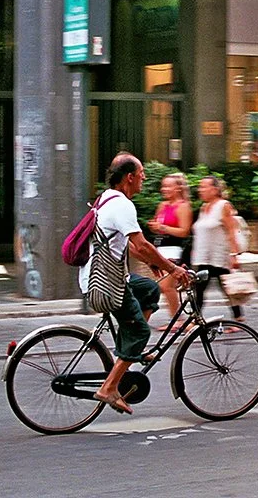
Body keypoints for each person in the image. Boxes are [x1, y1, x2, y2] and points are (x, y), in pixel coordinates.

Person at [80, 152, 195, 416]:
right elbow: (141, 243)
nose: (144, 179)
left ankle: (130, 351)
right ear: (129, 177)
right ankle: (109, 387)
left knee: (150, 289)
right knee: (141, 332)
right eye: (141, 175)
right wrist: (174, 269)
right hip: (106, 283)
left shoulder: (107, 199)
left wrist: (156, 263)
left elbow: (129, 246)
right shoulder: (122, 205)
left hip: (100, 277)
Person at [191, 175, 247, 325]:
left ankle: (196, 319)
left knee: (224, 287)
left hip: (220, 256)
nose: (200, 190)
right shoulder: (204, 207)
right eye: (200, 186)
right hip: (205, 256)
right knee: (213, 287)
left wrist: (234, 255)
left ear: (215, 189)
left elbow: (232, 231)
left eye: (204, 186)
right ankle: (238, 317)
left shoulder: (223, 206)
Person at [147, 172, 193, 330]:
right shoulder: (162, 205)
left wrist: (163, 227)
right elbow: (158, 225)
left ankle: (179, 321)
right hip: (160, 249)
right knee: (158, 287)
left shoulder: (183, 206)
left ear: (178, 188)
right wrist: (155, 227)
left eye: (168, 186)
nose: (164, 189)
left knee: (167, 286)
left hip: (175, 250)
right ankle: (178, 320)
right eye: (163, 186)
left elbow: (184, 231)